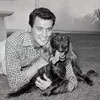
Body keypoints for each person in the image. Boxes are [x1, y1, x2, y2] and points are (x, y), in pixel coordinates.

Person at [0, 7, 77, 92]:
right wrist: (39, 63)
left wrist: (54, 86)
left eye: (48, 29)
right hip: (2, 54)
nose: (44, 35)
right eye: (39, 29)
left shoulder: (54, 41)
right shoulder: (14, 42)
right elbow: (13, 83)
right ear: (30, 28)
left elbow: (72, 78)